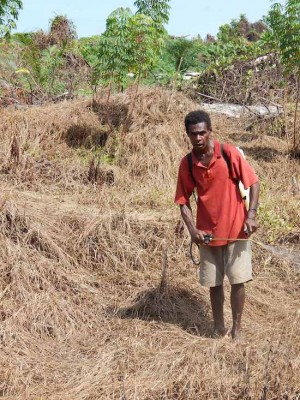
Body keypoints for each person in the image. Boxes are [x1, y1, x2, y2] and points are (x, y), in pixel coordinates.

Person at [175, 110, 259, 340]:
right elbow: (183, 202)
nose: (198, 137)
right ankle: (218, 328)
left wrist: (250, 215)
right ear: (188, 135)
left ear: (210, 131)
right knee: (214, 283)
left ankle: (237, 330)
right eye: (194, 134)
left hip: (236, 230)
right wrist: (193, 231)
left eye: (202, 132)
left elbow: (253, 183)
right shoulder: (188, 164)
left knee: (238, 279)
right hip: (207, 234)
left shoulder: (228, 153)